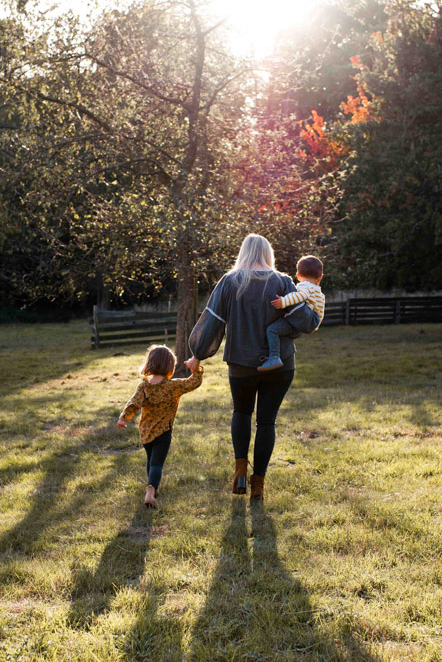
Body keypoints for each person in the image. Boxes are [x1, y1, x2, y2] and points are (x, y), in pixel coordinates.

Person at [186, 234, 318, 502]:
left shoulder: (229, 282)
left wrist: (197, 354)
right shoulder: (282, 281)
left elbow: (212, 322)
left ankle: (240, 474)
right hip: (280, 365)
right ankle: (258, 485)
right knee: (267, 422)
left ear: (243, 253)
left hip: (241, 363)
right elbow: (305, 322)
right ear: (268, 254)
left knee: (242, 413)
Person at [117, 345, 203, 508]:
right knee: (157, 463)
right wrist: (196, 368)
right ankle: (151, 490)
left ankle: (152, 487)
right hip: (163, 432)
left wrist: (123, 419)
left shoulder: (144, 386)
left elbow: (133, 404)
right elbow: (193, 383)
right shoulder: (172, 386)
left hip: (146, 433)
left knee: (151, 460)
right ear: (170, 367)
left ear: (150, 364)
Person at [258, 255, 325, 371]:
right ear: (320, 277)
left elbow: (300, 296)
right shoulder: (319, 293)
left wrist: (283, 302)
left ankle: (274, 357)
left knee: (272, 329)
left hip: (300, 321)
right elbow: (320, 313)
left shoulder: (304, 286)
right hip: (310, 324)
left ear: (298, 275)